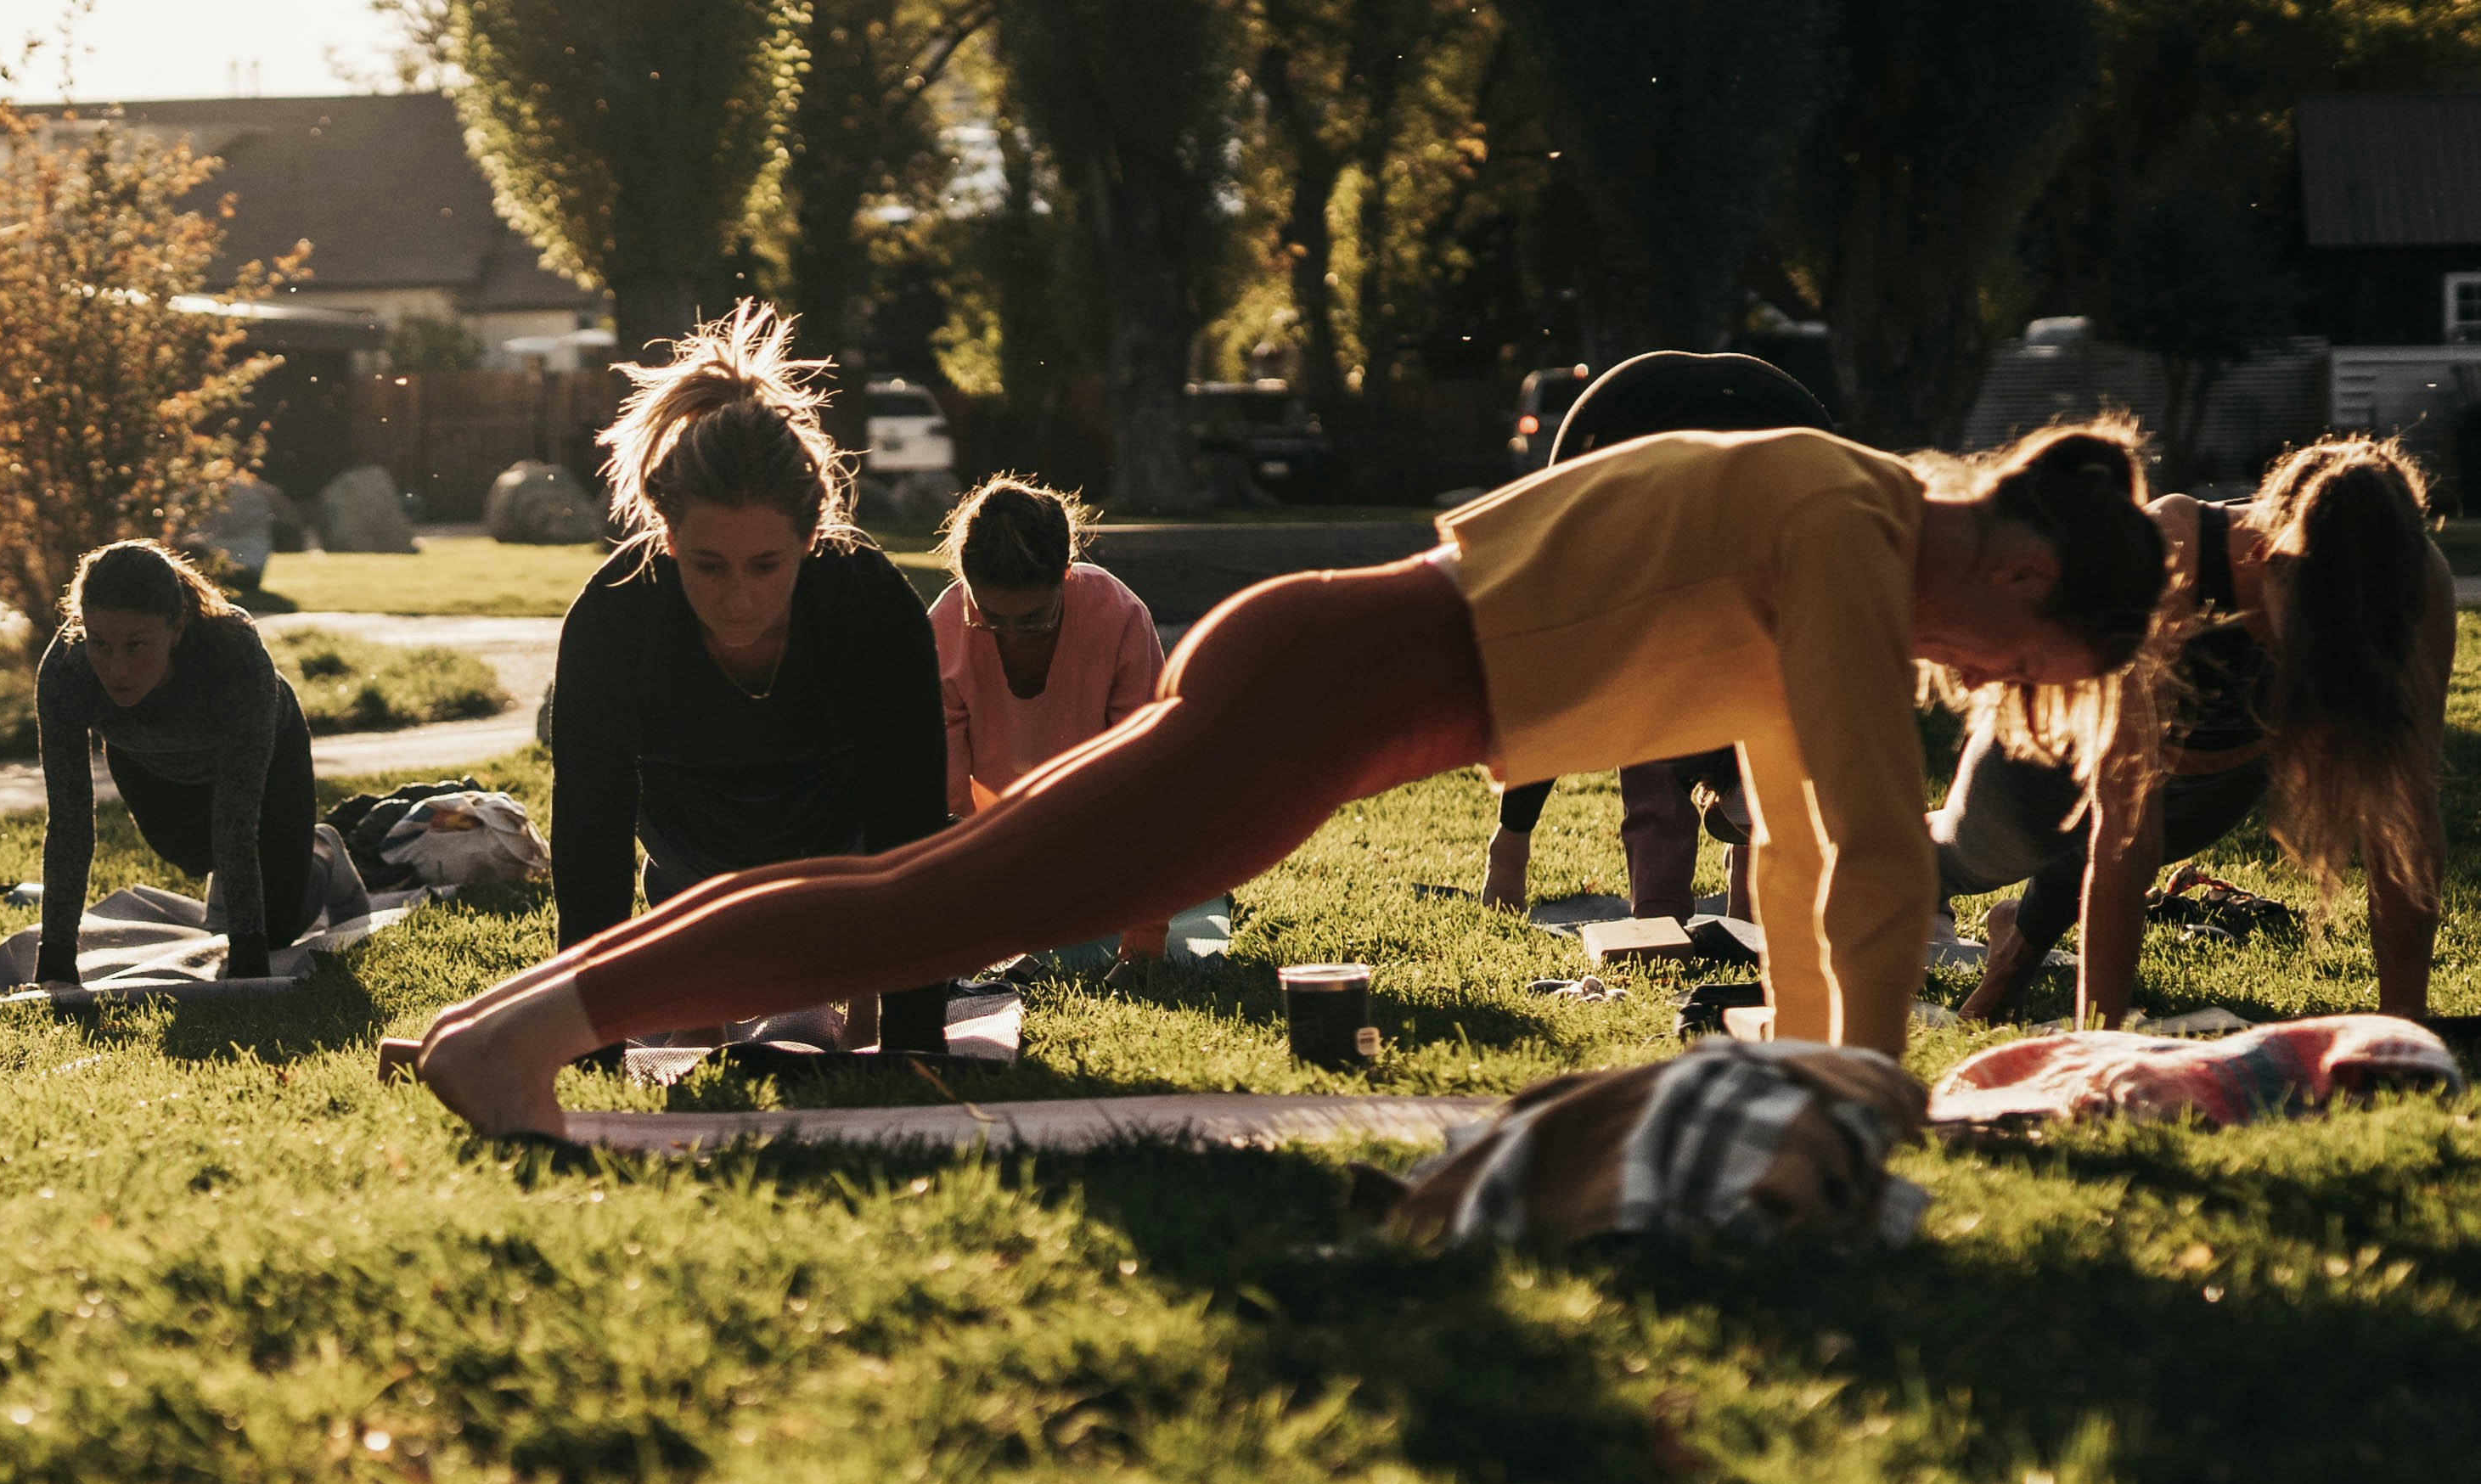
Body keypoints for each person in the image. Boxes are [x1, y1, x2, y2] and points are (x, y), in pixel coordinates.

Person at [419, 423, 2168, 1135]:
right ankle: (529, 1038)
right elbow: (1872, 838)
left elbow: (1800, 836)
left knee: (939, 886)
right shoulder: (1846, 520)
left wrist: (1809, 1076)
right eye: (2030, 671)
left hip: (1327, 682)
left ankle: (516, 1018)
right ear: (2020, 579)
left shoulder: (1839, 509)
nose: (1993, 690)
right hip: (1332, 687)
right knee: (957, 892)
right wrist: (1859, 1096)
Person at [1941, 430, 2454, 1024]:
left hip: (2214, 778)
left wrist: (2403, 1025)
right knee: (1969, 854)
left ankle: (2013, 949)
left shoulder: (2418, 578)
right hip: (2052, 751)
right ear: (2269, 555)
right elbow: (2125, 832)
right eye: (2320, 622)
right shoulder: (2173, 553)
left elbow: (2406, 821)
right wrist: (2101, 1040)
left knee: (2084, 865)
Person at [545, 301, 951, 1051]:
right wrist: (593, 1050)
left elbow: (912, 830)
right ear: (667, 538)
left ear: (811, 538)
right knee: (700, 1027)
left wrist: (915, 1043)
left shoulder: (870, 604)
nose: (738, 597)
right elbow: (589, 844)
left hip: (840, 838)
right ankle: (704, 982)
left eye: (767, 566)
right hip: (690, 844)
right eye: (708, 565)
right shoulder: (613, 620)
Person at [1480, 348, 1838, 919]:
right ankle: (1653, 907)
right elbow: (1552, 699)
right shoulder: (1627, 587)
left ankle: (1747, 910)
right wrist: (1514, 843)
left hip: (1758, 471)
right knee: (1647, 742)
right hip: (1636, 473)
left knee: (1766, 737)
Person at [33, 541, 315, 985]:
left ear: (177, 627)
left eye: (137, 645)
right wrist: (56, 959)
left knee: (277, 929)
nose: (117, 668)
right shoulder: (66, 670)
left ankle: (318, 851)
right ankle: (239, 885)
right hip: (150, 761)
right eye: (100, 644)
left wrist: (247, 962)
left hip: (269, 758)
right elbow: (68, 821)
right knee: (191, 855)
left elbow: (237, 820)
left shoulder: (232, 651)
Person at [930, 475, 1162, 974]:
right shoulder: (945, 629)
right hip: (998, 849)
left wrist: (1142, 945)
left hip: (1107, 841)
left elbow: (1149, 785)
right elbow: (943, 803)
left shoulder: (1119, 618)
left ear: (1067, 573)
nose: (1011, 634)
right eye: (989, 616)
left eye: (1034, 618)